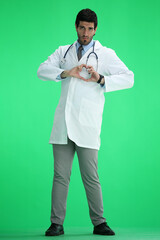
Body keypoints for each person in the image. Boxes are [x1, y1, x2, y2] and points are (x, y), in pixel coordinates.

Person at [37, 8, 134, 236]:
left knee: (91, 176)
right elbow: (42, 70)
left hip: (87, 124)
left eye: (90, 29)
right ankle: (56, 223)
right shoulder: (64, 51)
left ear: (95, 29)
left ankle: (99, 222)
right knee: (61, 175)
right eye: (82, 27)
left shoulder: (105, 54)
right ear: (76, 26)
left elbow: (129, 77)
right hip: (63, 124)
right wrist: (66, 72)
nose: (85, 32)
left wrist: (100, 78)